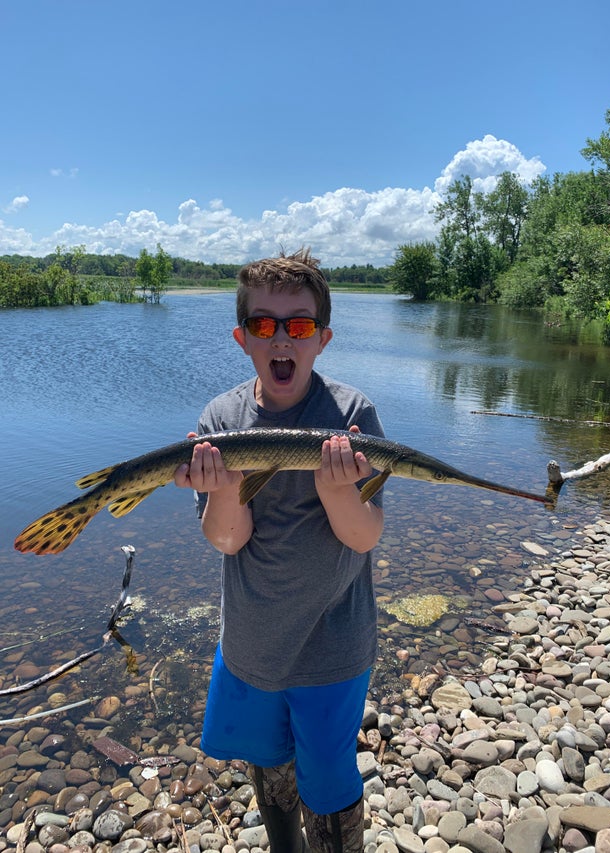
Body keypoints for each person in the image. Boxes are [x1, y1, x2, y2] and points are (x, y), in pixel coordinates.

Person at [174, 248, 385, 852]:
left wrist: (335, 490)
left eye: (298, 325)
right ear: (243, 338)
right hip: (250, 642)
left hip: (333, 645)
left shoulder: (351, 414)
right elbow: (227, 539)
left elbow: (364, 535)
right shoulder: (222, 419)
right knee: (268, 768)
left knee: (330, 782)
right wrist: (226, 490)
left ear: (322, 338)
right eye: (264, 325)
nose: (281, 339)